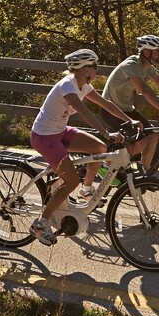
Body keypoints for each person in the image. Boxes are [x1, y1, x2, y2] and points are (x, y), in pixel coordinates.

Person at [29, 48, 134, 246]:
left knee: (100, 149)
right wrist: (107, 132)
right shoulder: (68, 86)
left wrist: (130, 121)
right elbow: (85, 112)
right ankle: (40, 223)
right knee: (70, 181)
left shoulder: (83, 85)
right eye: (95, 67)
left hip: (60, 131)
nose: (97, 71)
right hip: (44, 137)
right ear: (85, 68)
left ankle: (86, 191)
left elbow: (106, 105)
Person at [98, 34, 159, 175]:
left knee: (152, 135)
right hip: (111, 110)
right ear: (146, 52)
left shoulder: (148, 67)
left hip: (126, 109)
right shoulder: (132, 65)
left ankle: (145, 173)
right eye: (156, 52)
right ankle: (107, 165)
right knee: (141, 142)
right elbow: (145, 90)